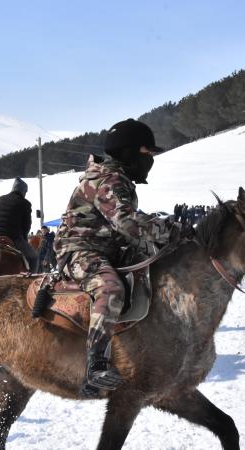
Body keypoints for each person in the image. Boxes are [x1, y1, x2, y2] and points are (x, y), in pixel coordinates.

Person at [54, 118, 180, 397]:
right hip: (79, 249)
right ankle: (96, 363)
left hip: (107, 248)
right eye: (147, 152)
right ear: (129, 152)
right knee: (110, 288)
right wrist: (169, 230)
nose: (150, 159)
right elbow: (127, 223)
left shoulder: (116, 178)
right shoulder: (108, 180)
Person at [0, 178, 37, 272]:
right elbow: (27, 225)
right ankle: (32, 278)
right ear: (23, 191)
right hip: (14, 238)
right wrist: (24, 238)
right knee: (34, 258)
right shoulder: (25, 203)